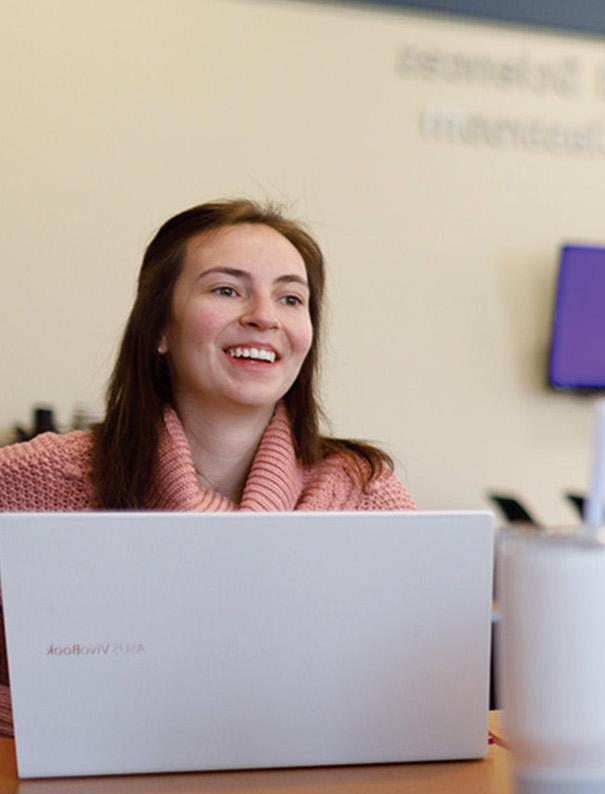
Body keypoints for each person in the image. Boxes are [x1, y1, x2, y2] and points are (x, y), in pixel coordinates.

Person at [0, 200, 413, 736]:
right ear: (159, 329)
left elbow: (412, 691)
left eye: (291, 298)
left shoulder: (365, 494)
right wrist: (55, 726)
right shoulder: (31, 482)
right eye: (227, 290)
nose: (265, 316)